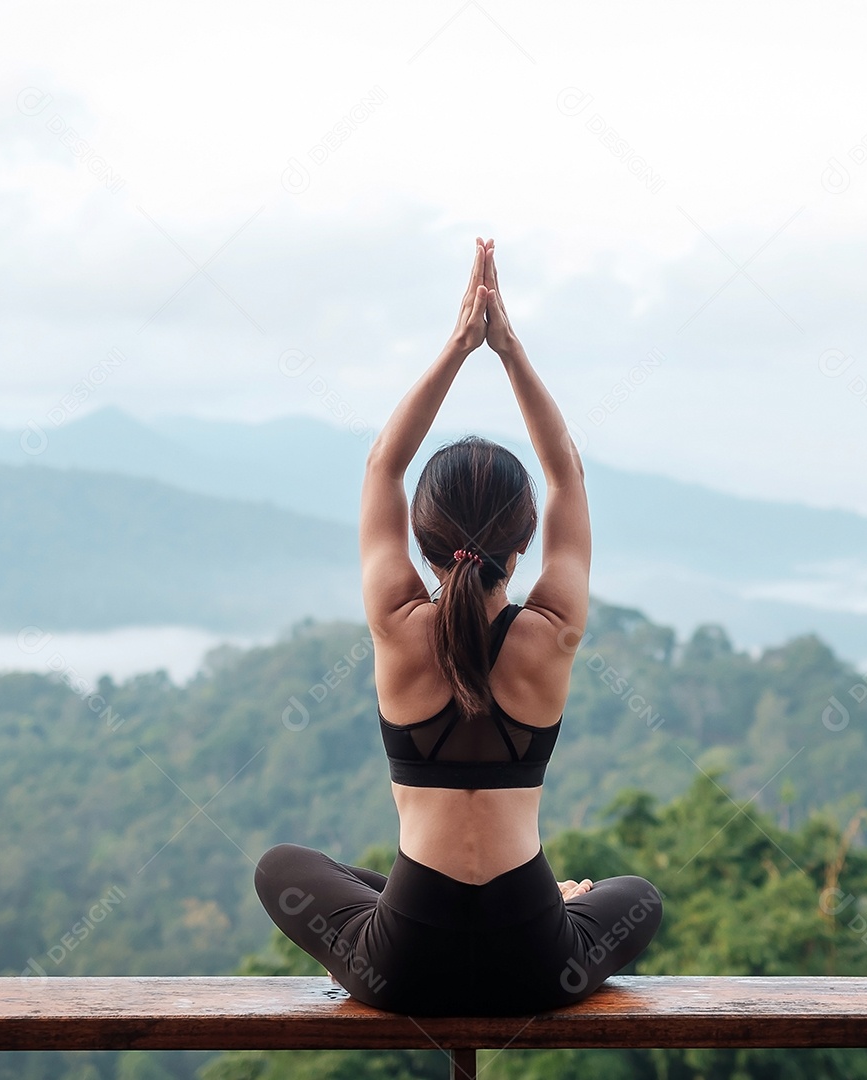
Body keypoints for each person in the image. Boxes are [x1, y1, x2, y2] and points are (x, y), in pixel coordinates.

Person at [254, 237, 663, 1016]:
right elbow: (566, 470)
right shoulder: (553, 630)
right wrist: (508, 350)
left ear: (423, 537)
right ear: (525, 538)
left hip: (402, 969)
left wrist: (458, 345)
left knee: (282, 865)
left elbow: (383, 464)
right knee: (636, 893)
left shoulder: (397, 625)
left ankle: (397, 903)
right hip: (540, 967)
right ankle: (560, 902)